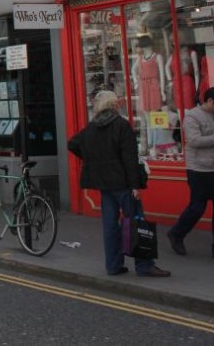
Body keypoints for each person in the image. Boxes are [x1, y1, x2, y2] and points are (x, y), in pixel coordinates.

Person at [68, 90, 170, 277]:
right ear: (114, 105)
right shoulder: (121, 125)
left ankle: (113, 266)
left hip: (104, 184)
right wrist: (135, 186)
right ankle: (144, 265)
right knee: (137, 221)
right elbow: (129, 159)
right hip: (123, 183)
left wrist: (93, 160)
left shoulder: (91, 128)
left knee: (110, 225)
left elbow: (72, 144)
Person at [166, 87, 214, 257]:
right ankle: (176, 233)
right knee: (197, 207)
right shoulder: (193, 116)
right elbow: (194, 141)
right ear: (209, 101)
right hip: (199, 169)